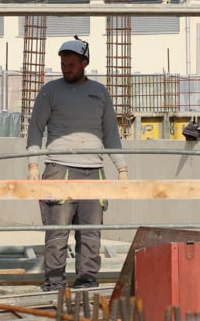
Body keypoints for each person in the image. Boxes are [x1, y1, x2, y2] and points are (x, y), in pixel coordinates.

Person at [26, 37, 128, 291]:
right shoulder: (50, 91)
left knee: (91, 234)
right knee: (57, 233)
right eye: (63, 64)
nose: (66, 68)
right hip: (60, 169)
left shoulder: (100, 92)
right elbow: (35, 130)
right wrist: (33, 166)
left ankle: (87, 282)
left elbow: (111, 134)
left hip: (94, 171)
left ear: (85, 63)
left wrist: (122, 169)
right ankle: (54, 283)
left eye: (71, 64)